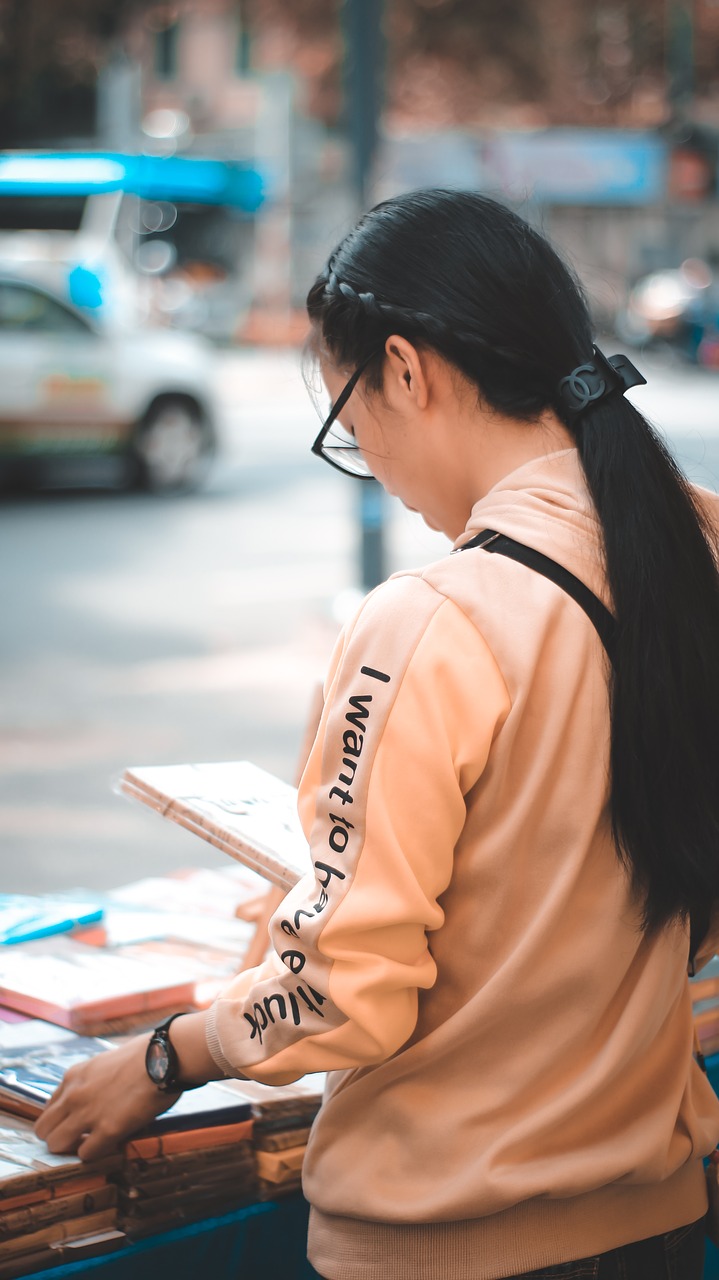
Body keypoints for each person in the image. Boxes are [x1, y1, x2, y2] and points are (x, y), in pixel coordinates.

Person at [37, 189, 719, 1280]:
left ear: (406, 370)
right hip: (658, 1223)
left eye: (353, 432)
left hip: (449, 1243)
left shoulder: (434, 618)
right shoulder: (690, 550)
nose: (381, 476)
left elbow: (340, 988)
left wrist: (169, 1054)